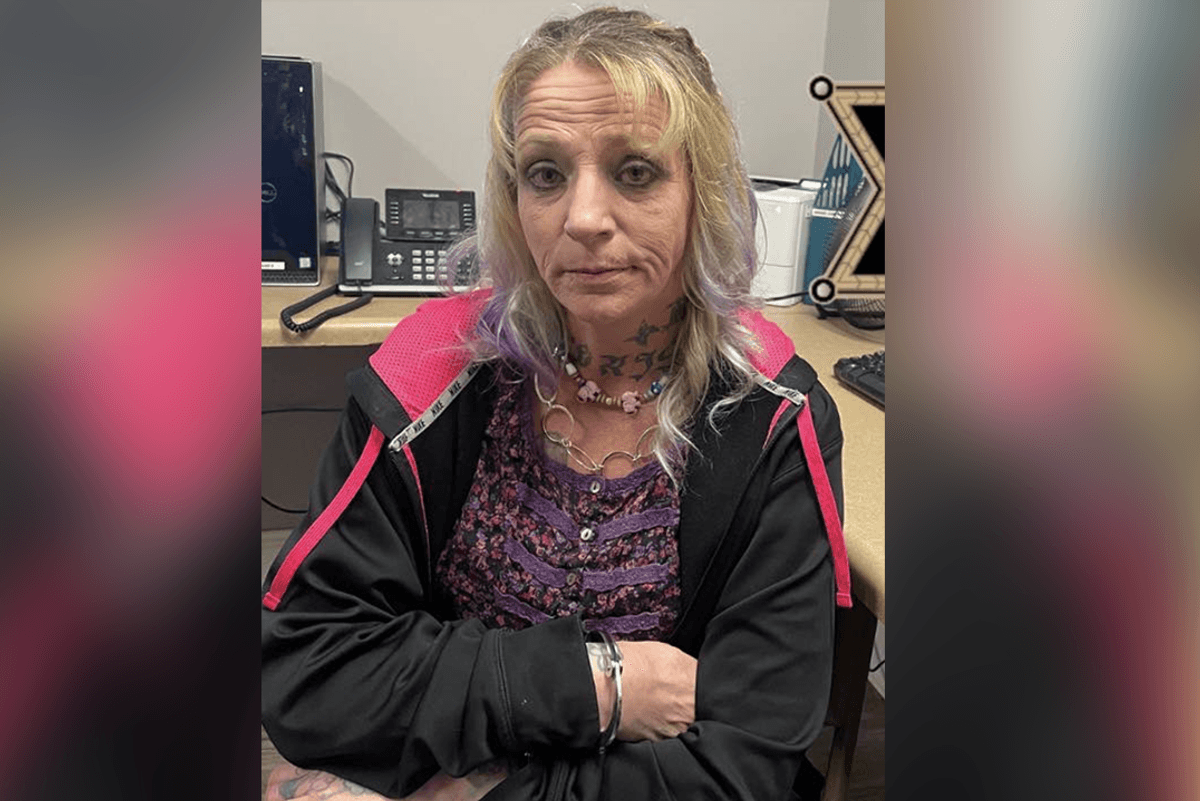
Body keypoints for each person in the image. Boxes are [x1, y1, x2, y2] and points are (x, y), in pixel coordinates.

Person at [261, 7, 850, 800]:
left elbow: (743, 761)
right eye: (546, 174)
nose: (583, 218)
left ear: (702, 192)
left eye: (635, 171)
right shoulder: (429, 381)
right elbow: (310, 672)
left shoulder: (772, 416)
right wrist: (596, 684)